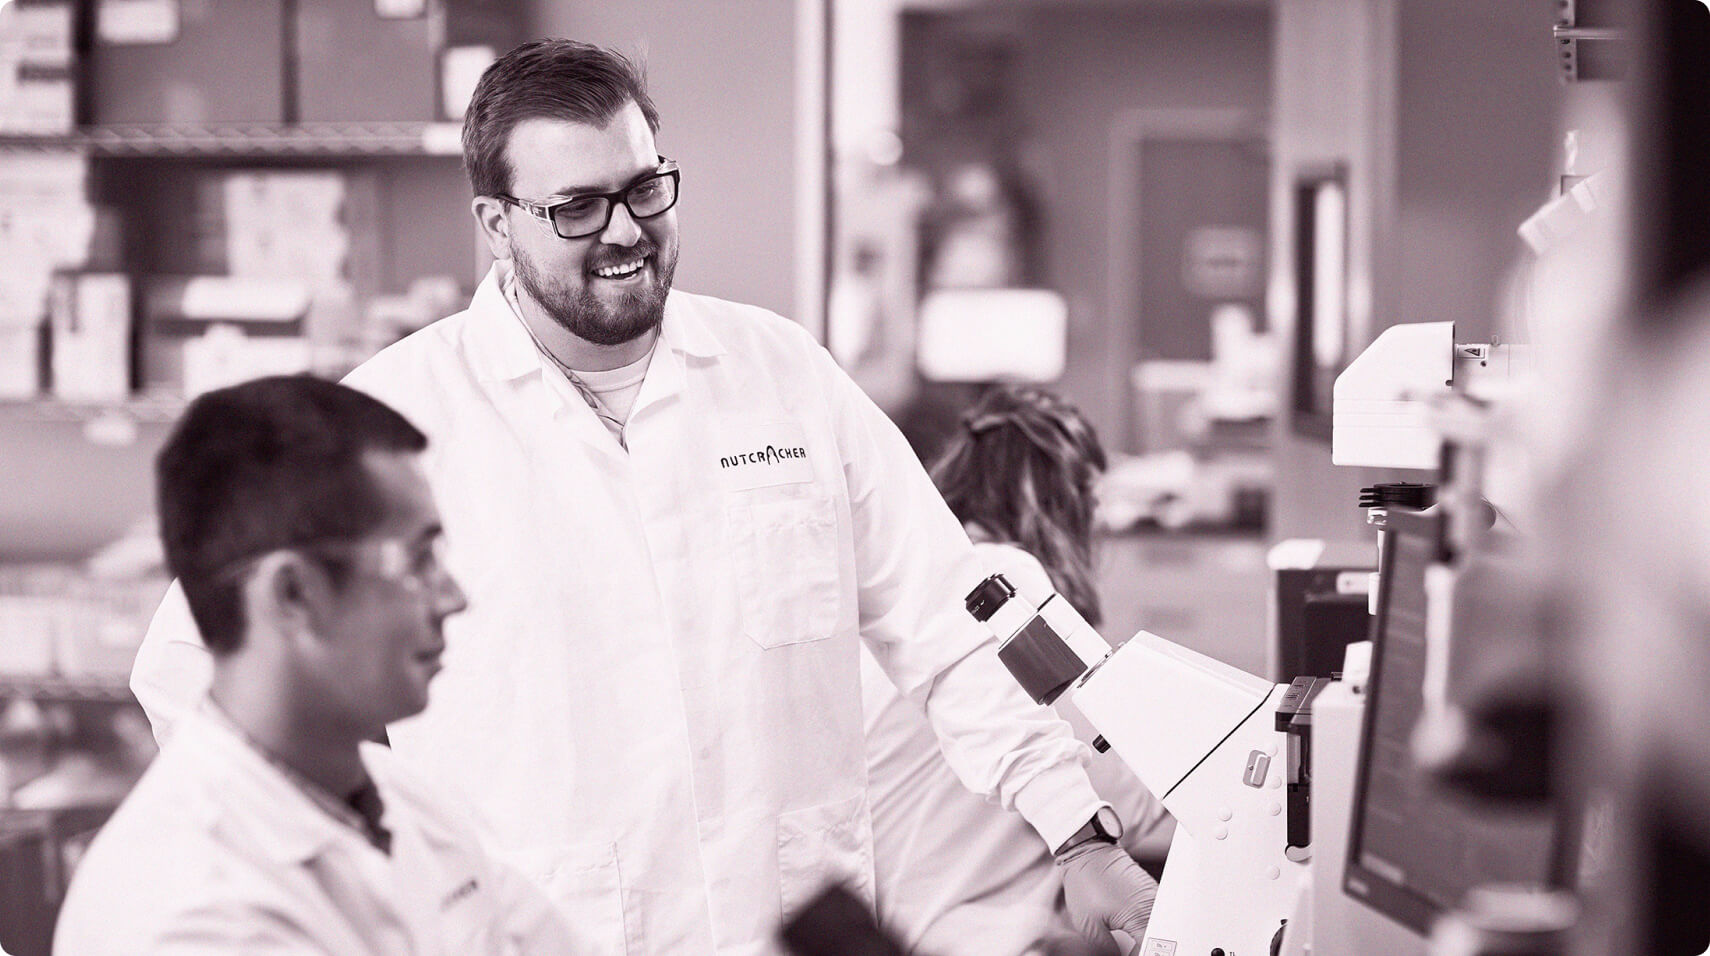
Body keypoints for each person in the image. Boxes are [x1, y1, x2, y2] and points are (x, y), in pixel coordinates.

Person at [129, 39, 1156, 955]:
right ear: (494, 221)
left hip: (795, 919)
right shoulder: (395, 420)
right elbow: (192, 668)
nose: (624, 229)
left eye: (645, 188)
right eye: (576, 206)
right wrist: (357, 875)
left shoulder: (781, 374)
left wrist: (1081, 831)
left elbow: (951, 621)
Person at [56, 376, 576, 954]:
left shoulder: (398, 798)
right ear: (293, 594)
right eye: (419, 559)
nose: (454, 596)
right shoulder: (195, 913)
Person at [862, 385, 1171, 955]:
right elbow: (1138, 801)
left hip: (893, 925)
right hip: (969, 936)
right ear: (1065, 503)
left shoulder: (904, 596)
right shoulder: (1004, 583)